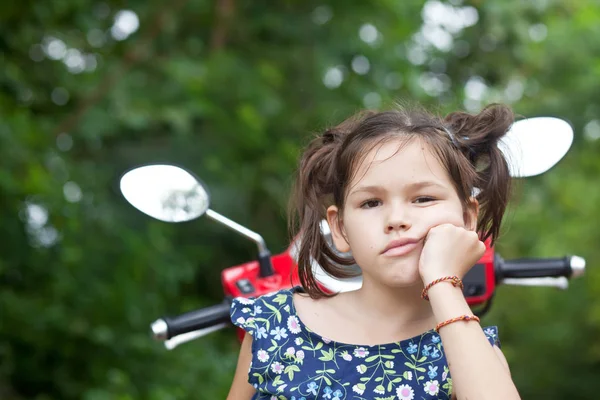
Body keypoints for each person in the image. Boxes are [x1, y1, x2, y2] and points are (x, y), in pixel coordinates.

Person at [227, 104, 521, 400]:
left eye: (423, 198)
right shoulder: (272, 324)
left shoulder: (469, 350)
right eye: (371, 203)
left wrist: (443, 282)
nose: (396, 220)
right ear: (340, 228)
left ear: (468, 218)